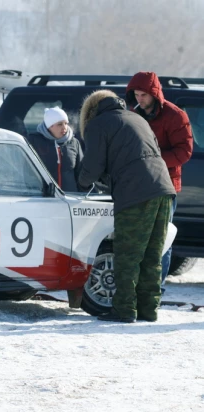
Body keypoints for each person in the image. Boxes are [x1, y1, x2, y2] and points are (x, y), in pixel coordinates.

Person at [78, 90, 175, 323]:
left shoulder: (99, 124)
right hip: (163, 188)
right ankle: (148, 309)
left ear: (91, 111)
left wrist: (79, 181)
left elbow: (92, 166)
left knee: (128, 254)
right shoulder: (137, 118)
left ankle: (124, 309)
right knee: (152, 255)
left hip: (135, 193)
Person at [126, 72, 193, 283]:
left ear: (154, 94)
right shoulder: (132, 114)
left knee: (161, 241)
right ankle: (136, 287)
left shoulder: (175, 116)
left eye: (143, 95)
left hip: (164, 187)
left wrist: (153, 160)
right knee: (135, 240)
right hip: (136, 186)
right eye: (136, 95)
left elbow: (184, 152)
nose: (139, 99)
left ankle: (156, 288)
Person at [26, 107, 84, 192]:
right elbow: (27, 171)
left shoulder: (74, 143)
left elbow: (81, 173)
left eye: (66, 123)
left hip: (70, 198)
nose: (64, 127)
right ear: (49, 126)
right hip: (43, 197)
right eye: (60, 124)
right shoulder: (34, 141)